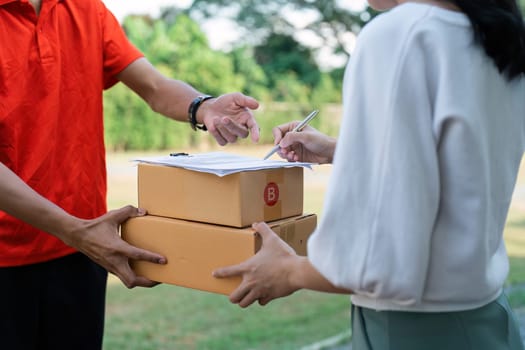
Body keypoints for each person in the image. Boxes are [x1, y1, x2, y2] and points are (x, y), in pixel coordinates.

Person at [213, 0, 525, 349]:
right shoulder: (492, 33)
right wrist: (340, 151)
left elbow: (384, 260)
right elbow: (456, 167)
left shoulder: (401, 33)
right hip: (488, 319)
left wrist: (289, 270)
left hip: (416, 331)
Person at [0, 0, 260, 349]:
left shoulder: (87, 9)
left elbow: (153, 86)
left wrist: (204, 106)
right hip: (25, 253)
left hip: (82, 251)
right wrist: (74, 230)